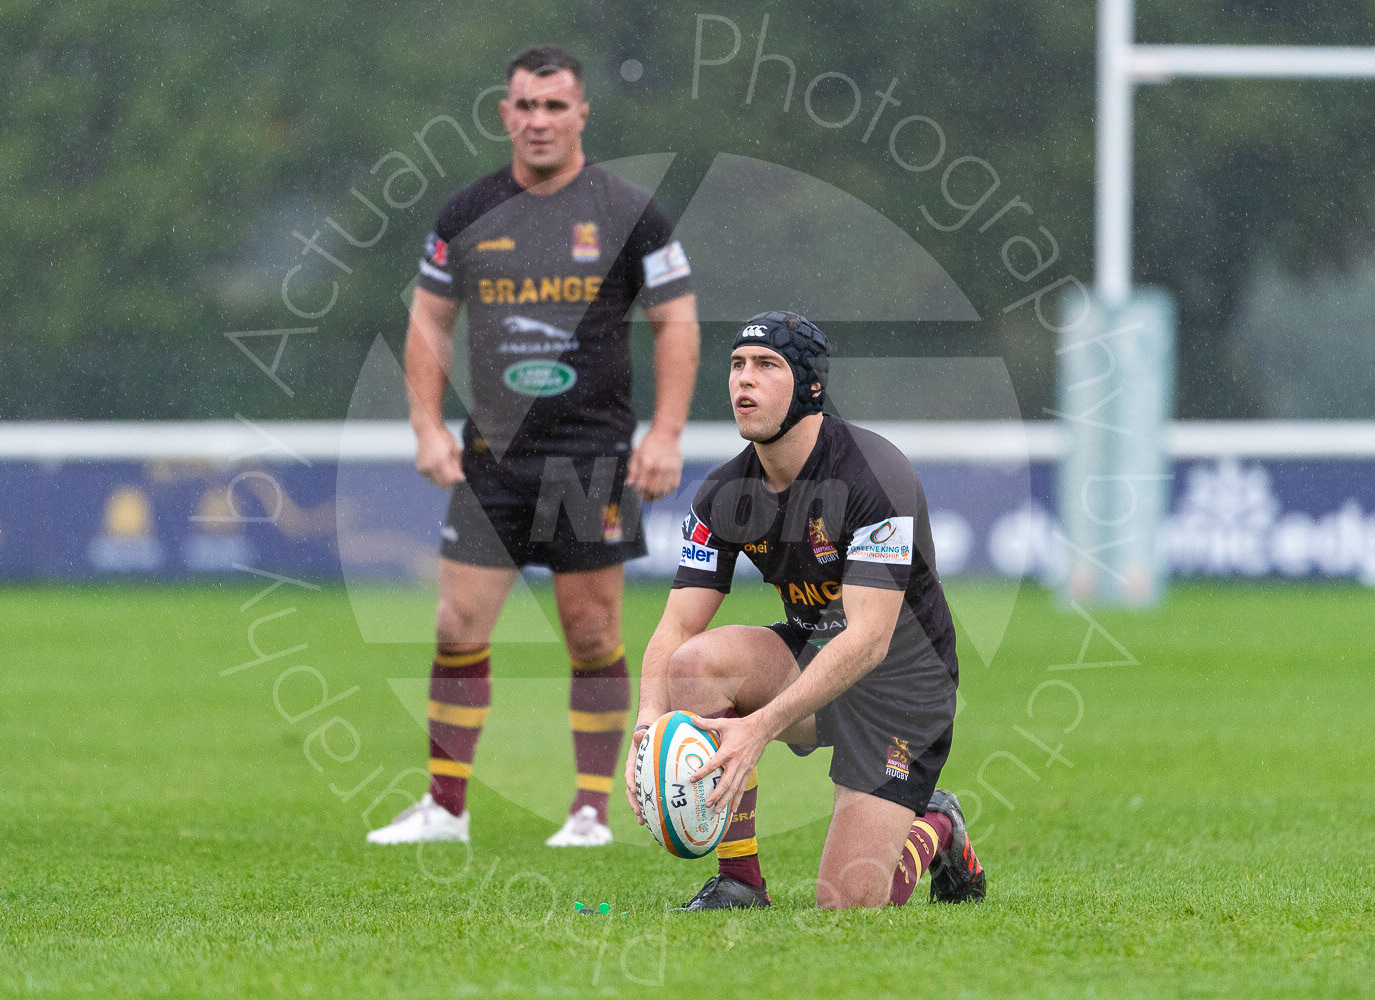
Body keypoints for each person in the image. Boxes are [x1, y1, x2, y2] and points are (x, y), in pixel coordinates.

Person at [368, 44, 700, 847]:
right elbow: (430, 321)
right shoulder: (466, 212)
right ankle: (445, 809)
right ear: (505, 114)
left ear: (582, 113)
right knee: (457, 625)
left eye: (555, 106)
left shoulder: (630, 213)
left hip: (591, 457)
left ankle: (589, 812)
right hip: (494, 459)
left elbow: (676, 321)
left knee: (591, 634)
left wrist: (665, 433)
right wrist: (425, 426)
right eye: (526, 105)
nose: (540, 120)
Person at [624, 310, 986, 908]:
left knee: (847, 904)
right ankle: (740, 881)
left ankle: (938, 826)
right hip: (813, 660)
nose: (744, 379)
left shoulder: (875, 475)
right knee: (693, 664)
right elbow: (676, 626)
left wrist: (758, 727)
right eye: (737, 364)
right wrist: (646, 730)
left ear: (811, 387)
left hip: (902, 688)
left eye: (767, 365)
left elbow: (868, 641)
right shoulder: (724, 493)